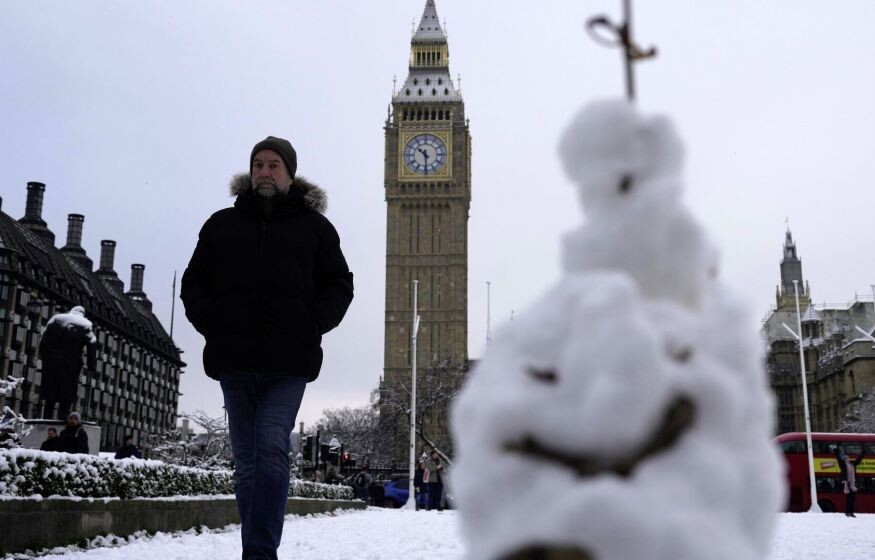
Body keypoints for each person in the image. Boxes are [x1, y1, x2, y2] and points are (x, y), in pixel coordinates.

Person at [181, 136, 354, 560]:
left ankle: (260, 552)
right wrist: (212, 324)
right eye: (258, 164)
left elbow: (339, 285)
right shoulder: (221, 224)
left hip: (288, 363)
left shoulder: (316, 228)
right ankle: (255, 551)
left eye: (274, 164)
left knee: (272, 451)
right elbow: (194, 284)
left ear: (290, 174)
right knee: (247, 463)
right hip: (234, 361)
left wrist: (312, 323)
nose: (265, 171)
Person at [37, 306, 96, 420]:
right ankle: (62, 419)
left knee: (51, 394)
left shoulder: (55, 319)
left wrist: (44, 355)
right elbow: (92, 343)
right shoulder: (85, 325)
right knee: (67, 394)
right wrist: (91, 365)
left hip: (51, 363)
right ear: (82, 314)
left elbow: (43, 339)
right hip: (70, 365)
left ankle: (46, 418)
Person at [836, 445, 866, 517]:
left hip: (853, 483)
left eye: (848, 458)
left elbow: (858, 460)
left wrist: (863, 454)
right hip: (847, 483)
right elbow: (839, 461)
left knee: (853, 499)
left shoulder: (852, 464)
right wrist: (836, 454)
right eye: (846, 458)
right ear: (844, 459)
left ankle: (851, 512)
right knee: (848, 499)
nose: (848, 459)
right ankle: (847, 512)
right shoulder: (843, 465)